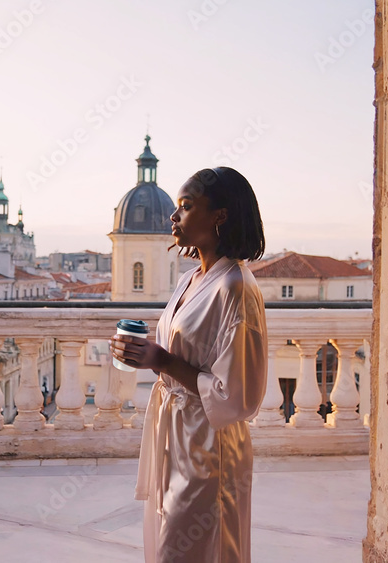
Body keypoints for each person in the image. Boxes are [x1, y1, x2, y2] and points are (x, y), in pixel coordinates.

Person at [110, 167, 268, 562]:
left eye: (185, 206)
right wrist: (143, 354)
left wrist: (161, 360)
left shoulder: (237, 288)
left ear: (220, 215)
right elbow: (175, 354)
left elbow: (239, 398)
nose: (173, 216)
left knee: (193, 550)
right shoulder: (189, 280)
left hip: (209, 448)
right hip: (175, 437)